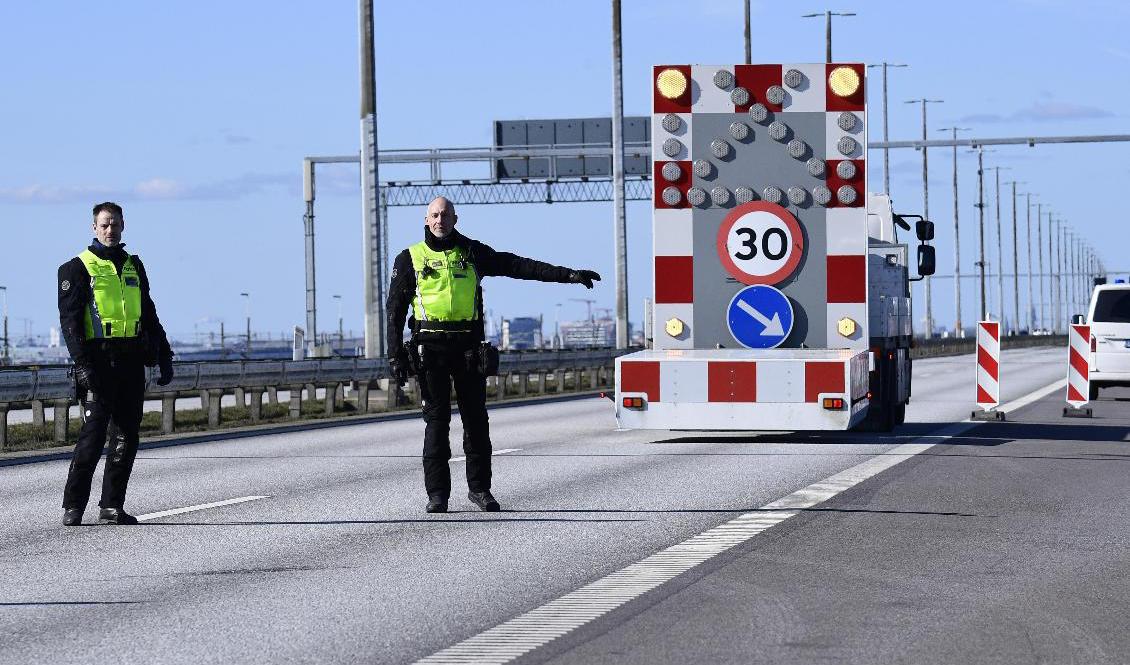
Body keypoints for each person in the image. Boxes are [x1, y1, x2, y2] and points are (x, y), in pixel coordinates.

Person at [387, 197, 601, 514]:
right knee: (437, 424)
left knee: (476, 422)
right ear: (426, 219)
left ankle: (480, 490)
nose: (440, 220)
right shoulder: (409, 258)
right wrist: (394, 356)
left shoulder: (472, 252)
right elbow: (394, 310)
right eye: (435, 215)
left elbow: (517, 265)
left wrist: (568, 275)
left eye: (445, 215)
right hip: (430, 350)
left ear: (455, 219)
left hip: (467, 348)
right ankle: (438, 495)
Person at [57, 202, 174, 526]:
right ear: (94, 227)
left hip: (131, 360)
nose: (110, 230)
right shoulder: (76, 268)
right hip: (97, 361)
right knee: (93, 436)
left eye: (115, 224)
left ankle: (112, 506)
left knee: (126, 435)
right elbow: (70, 323)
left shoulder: (134, 265)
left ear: (123, 226)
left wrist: (164, 354)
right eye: (105, 225)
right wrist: (83, 365)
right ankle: (73, 505)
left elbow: (148, 313)